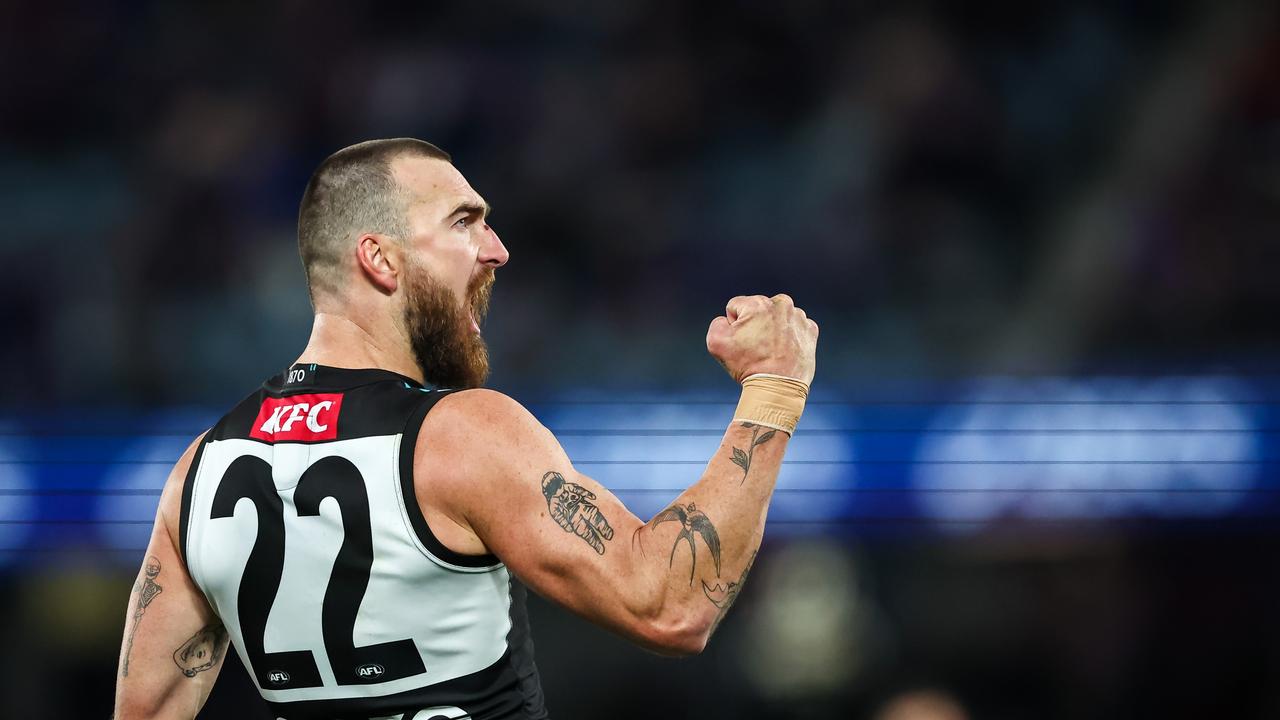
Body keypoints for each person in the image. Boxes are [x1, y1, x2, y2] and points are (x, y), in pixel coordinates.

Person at [111, 138, 819, 720]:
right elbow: (671, 605)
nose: (498, 249)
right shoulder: (459, 437)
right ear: (380, 259)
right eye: (463, 222)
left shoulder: (200, 470)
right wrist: (774, 388)